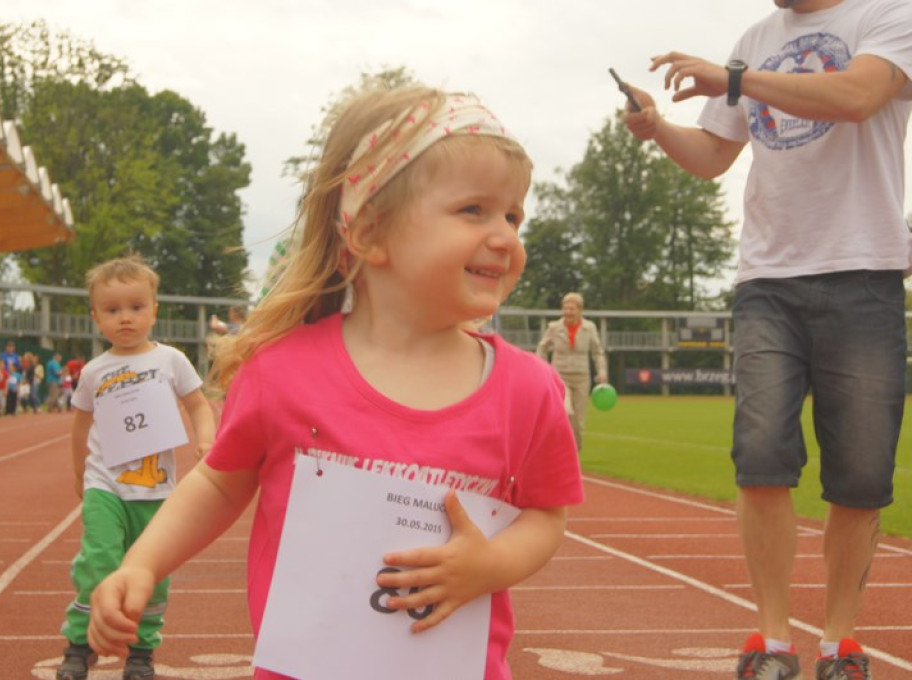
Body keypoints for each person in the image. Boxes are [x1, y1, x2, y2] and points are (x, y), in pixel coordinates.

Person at [86, 87, 584, 680]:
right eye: (474, 210)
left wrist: (491, 563)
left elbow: (546, 515)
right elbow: (219, 485)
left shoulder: (528, 388)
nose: (505, 235)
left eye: (513, 214)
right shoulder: (281, 374)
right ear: (370, 232)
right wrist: (140, 564)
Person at [623, 2, 911, 678]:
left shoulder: (888, 14)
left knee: (861, 475)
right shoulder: (755, 39)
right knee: (760, 456)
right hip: (768, 281)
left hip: (864, 274)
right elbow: (712, 157)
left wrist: (737, 78)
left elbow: (859, 96)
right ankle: (774, 641)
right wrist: (658, 126)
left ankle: (839, 644)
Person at [55, 255, 215, 680]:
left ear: (154, 309)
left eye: (136, 307)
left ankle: (141, 652)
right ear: (95, 317)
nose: (125, 318)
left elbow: (198, 405)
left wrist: (206, 437)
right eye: (112, 310)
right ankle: (78, 644)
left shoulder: (172, 361)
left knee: (153, 572)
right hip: (105, 485)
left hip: (157, 491)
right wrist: (79, 474)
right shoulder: (93, 372)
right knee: (99, 560)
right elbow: (80, 425)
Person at [535, 292, 608, 449]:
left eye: (572, 309)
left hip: (582, 377)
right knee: (566, 412)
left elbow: (597, 352)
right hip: (560, 376)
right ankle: (562, 452)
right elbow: (542, 348)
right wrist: (543, 368)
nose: (568, 312)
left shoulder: (589, 328)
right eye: (565, 308)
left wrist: (601, 371)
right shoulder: (554, 327)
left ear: (580, 310)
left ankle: (574, 455)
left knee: (578, 423)